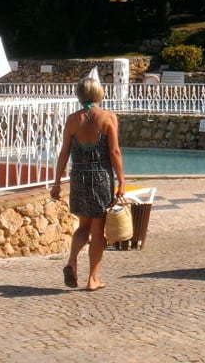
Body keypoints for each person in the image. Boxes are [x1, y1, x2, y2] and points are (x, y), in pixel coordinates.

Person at [50, 74, 125, 291]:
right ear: (99, 93)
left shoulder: (73, 120)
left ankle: (72, 260)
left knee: (83, 226)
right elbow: (114, 152)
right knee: (97, 230)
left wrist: (57, 182)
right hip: (100, 176)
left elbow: (64, 152)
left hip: (79, 177)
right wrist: (122, 181)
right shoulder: (108, 118)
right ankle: (93, 279)